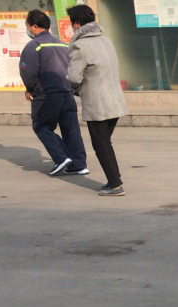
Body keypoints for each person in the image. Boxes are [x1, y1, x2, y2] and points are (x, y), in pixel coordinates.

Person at [66, 4, 129, 196]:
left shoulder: (80, 46)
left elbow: (73, 77)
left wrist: (76, 88)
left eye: (72, 23)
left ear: (77, 23)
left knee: (101, 144)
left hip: (98, 104)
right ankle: (114, 178)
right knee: (104, 142)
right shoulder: (106, 40)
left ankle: (115, 185)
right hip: (115, 101)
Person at [19, 10, 88, 177]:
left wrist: (30, 89)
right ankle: (79, 164)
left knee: (41, 126)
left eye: (28, 26)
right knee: (71, 129)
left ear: (35, 27)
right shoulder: (62, 45)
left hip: (47, 94)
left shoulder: (34, 45)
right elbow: (72, 69)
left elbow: (28, 72)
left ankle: (61, 157)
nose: (28, 29)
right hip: (67, 93)